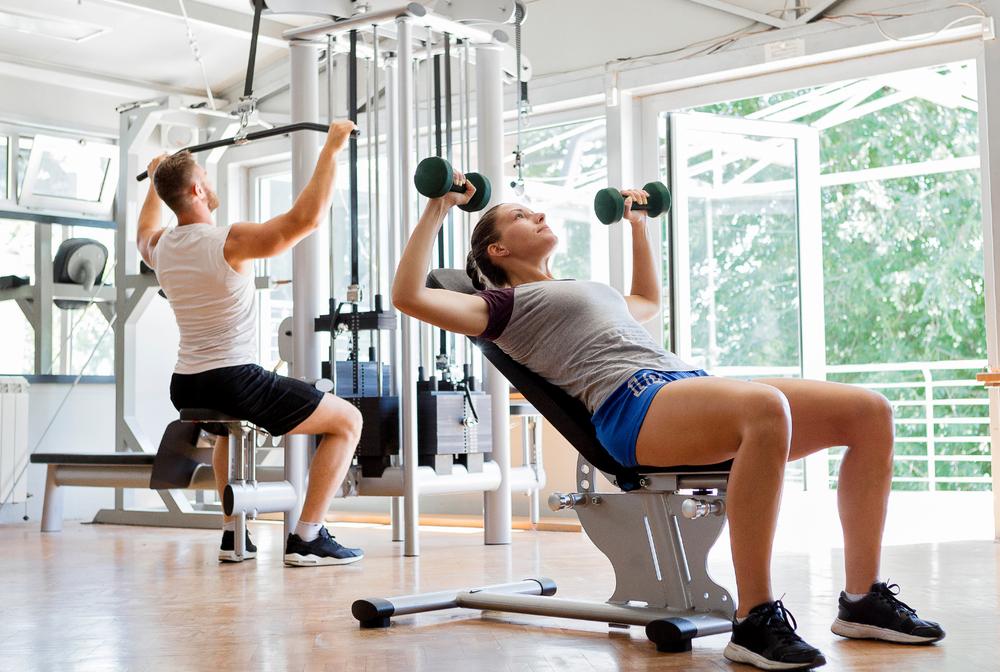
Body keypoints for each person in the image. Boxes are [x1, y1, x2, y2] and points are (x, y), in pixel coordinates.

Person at [391, 171, 945, 671]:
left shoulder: (584, 288)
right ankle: (754, 619)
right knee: (764, 406)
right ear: (498, 248)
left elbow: (647, 301)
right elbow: (409, 296)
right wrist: (439, 207)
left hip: (683, 386)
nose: (537, 214)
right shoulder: (502, 306)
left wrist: (638, 226)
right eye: (520, 215)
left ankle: (862, 600)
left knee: (869, 412)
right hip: (632, 407)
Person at [137, 121, 363, 568]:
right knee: (348, 421)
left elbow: (144, 228)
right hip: (233, 379)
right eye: (206, 177)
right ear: (198, 190)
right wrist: (332, 148)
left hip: (186, 383)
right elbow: (306, 220)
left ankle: (232, 532)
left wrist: (155, 176)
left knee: (227, 430)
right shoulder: (228, 241)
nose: (210, 183)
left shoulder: (159, 246)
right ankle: (307, 537)